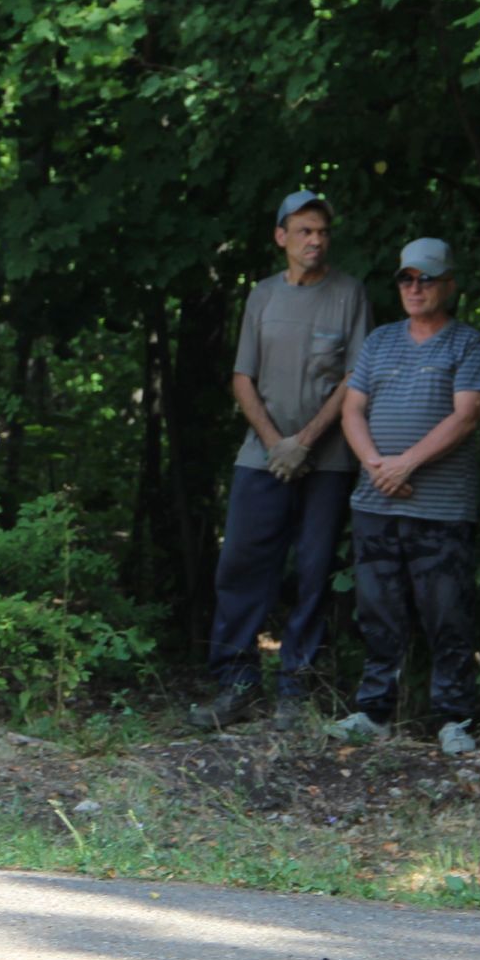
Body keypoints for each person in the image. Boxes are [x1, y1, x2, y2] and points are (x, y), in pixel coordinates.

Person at [189, 190, 371, 731]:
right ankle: (236, 685)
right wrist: (275, 444)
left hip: (329, 462)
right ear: (281, 237)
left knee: (314, 572)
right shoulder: (262, 296)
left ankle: (297, 690)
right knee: (241, 566)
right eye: (304, 231)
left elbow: (355, 377)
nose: (315, 240)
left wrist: (306, 442)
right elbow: (242, 378)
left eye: (322, 232)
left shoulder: (350, 294)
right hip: (260, 459)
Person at [328, 238, 480, 756]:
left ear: (449, 284)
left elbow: (466, 414)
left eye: (426, 278)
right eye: (406, 278)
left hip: (440, 509)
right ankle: (375, 712)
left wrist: (406, 463)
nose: (415, 288)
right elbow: (352, 409)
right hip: (375, 502)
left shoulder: (466, 344)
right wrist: (377, 465)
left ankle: (453, 718)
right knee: (377, 610)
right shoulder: (379, 341)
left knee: (447, 613)